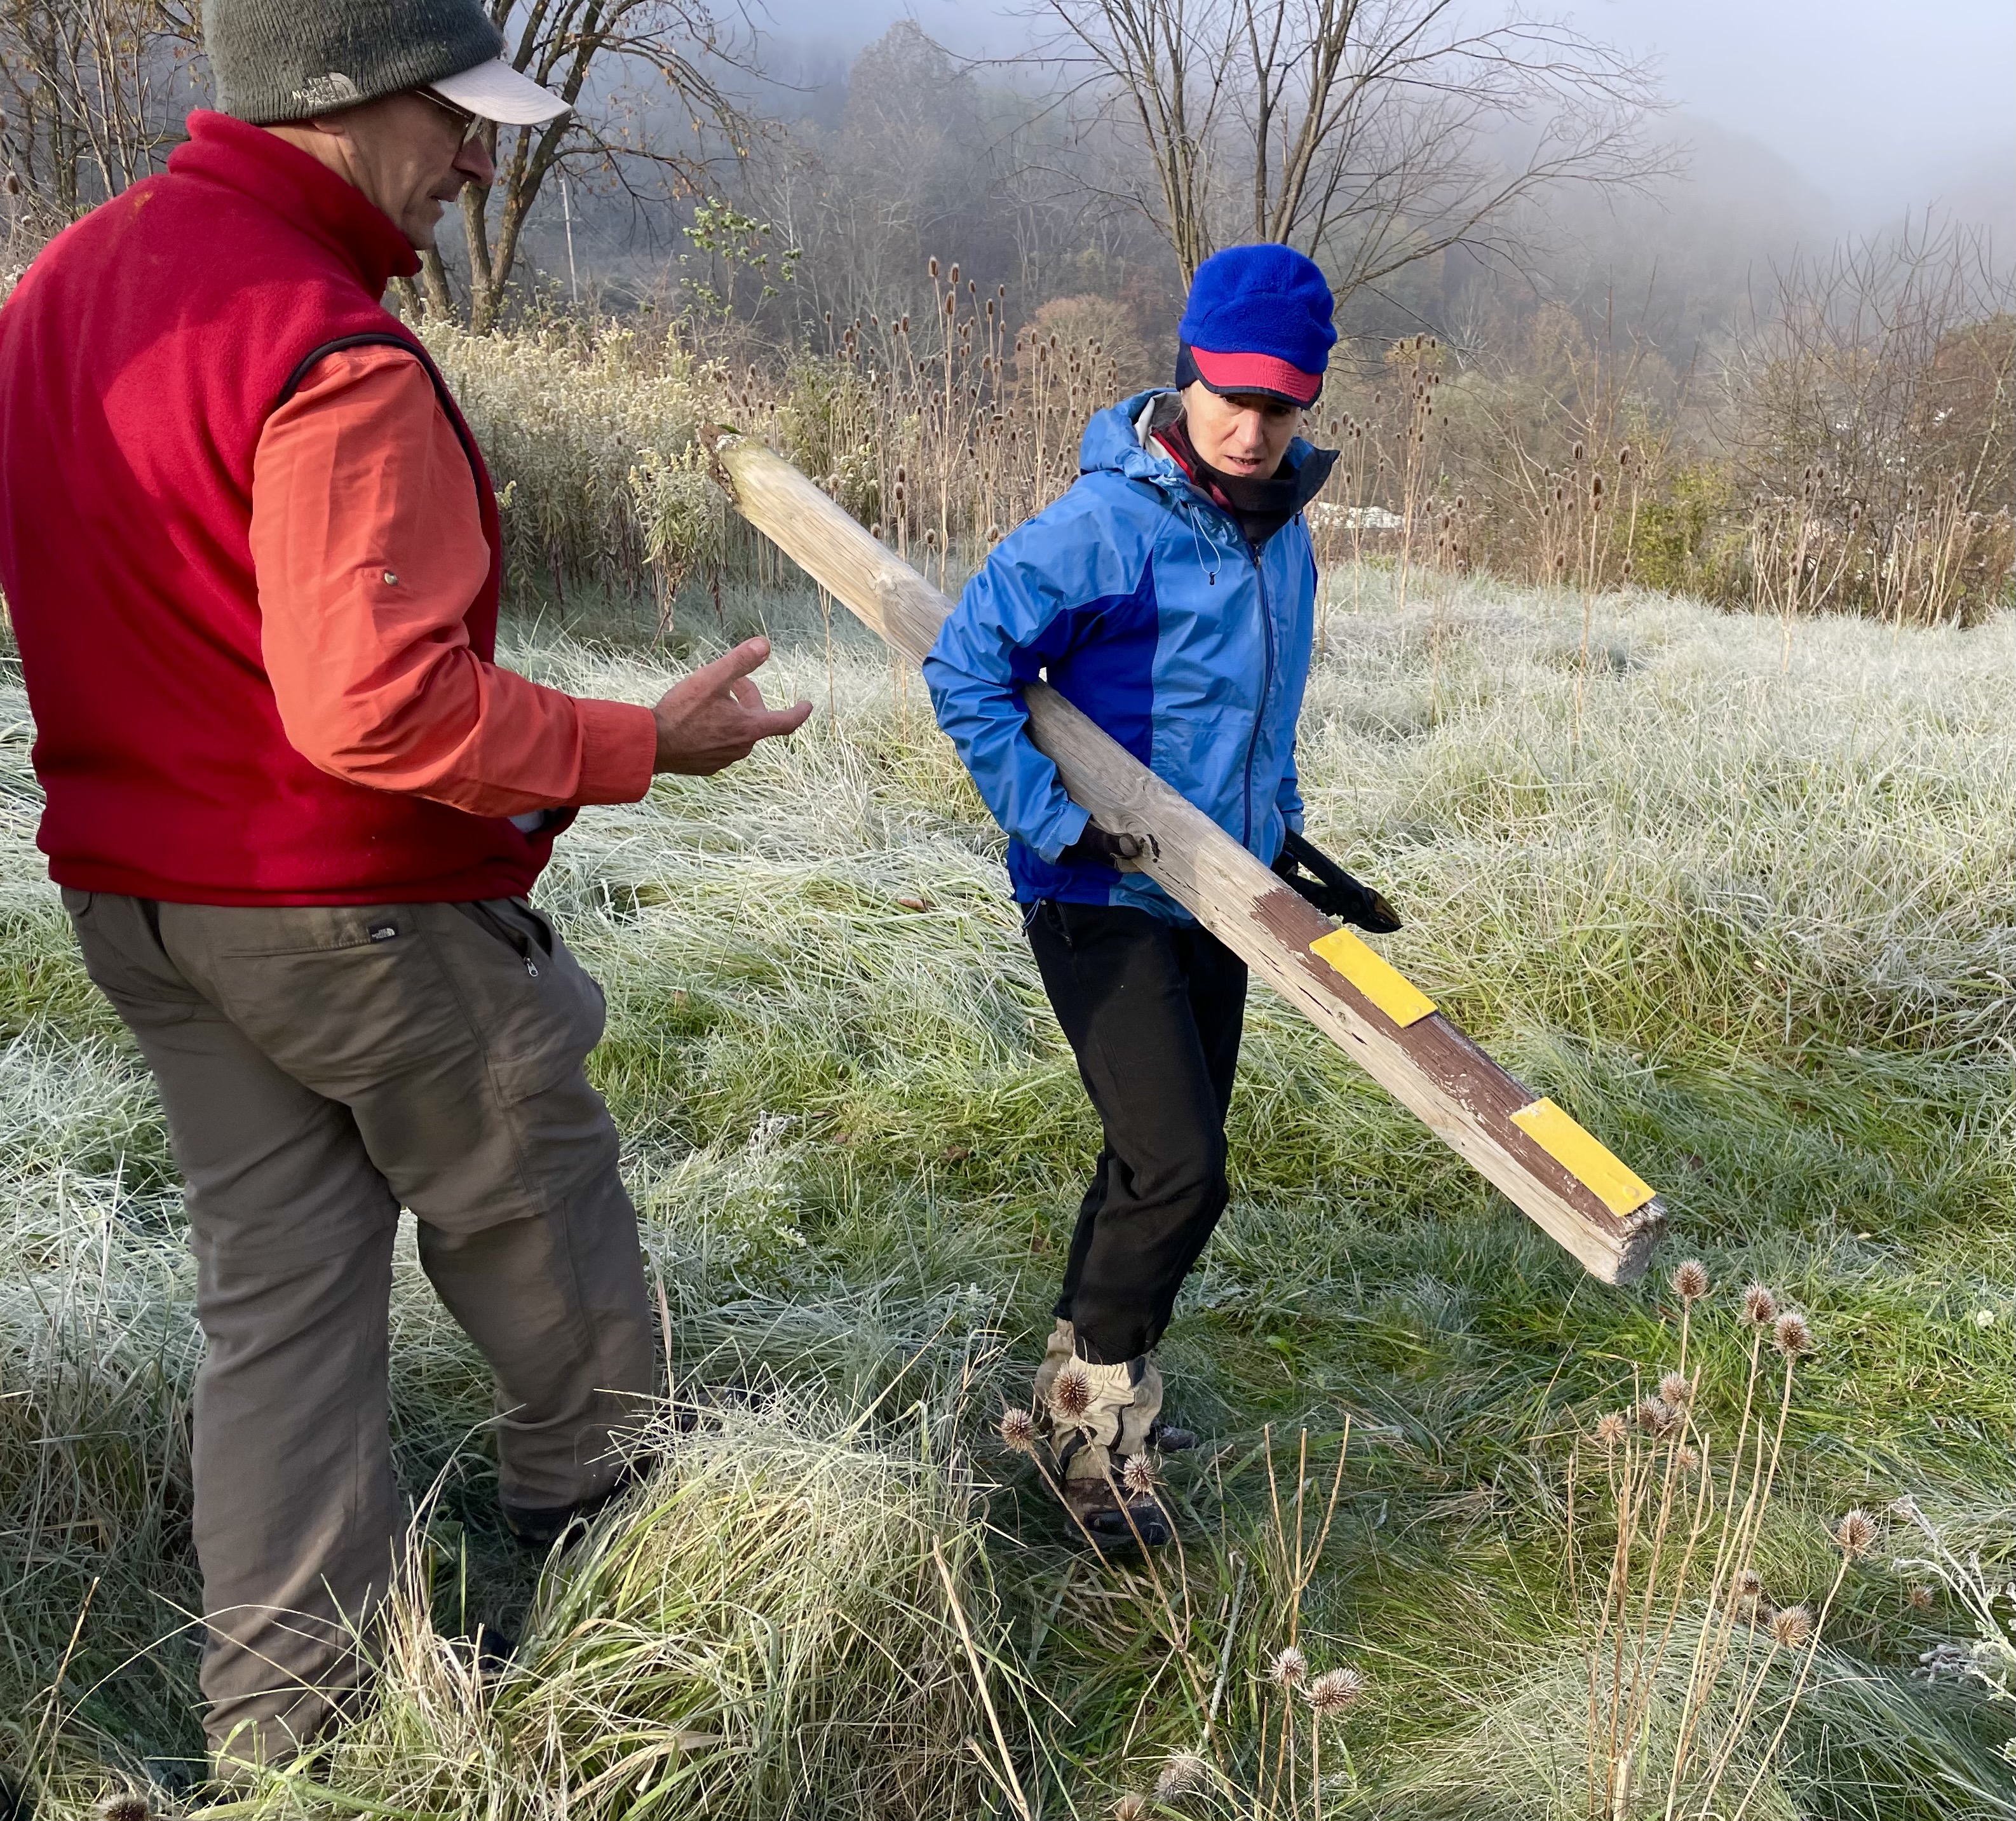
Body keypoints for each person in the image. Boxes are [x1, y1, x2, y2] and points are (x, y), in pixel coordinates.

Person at [0, 0, 811, 1773]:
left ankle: (289, 1733)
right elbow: (372, 705)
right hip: (350, 908)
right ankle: (631, 1568)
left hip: (141, 901)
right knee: (537, 1205)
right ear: (343, 96)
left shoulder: (61, 290)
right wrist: (632, 742)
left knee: (275, 1313)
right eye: (457, 116)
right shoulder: (328, 350)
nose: (477, 156)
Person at [926, 243, 1385, 1544]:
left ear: (1309, 402)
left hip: (1217, 895)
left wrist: (1277, 828)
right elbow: (967, 662)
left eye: (1279, 404)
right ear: (1184, 373)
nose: (1248, 426)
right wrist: (1056, 819)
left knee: (1151, 1158)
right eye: (1226, 394)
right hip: (1099, 895)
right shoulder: (1105, 525)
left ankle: (1084, 1394)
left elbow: (1260, 711)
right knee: (1183, 1170)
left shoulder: (1278, 537)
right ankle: (1092, 1459)